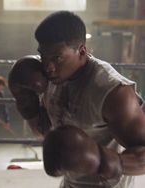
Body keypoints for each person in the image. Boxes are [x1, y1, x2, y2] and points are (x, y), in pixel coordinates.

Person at [10, 11, 145, 188]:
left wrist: (100, 160)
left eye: (57, 58)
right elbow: (44, 132)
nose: (48, 67)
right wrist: (27, 105)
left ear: (81, 51)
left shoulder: (112, 92)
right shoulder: (48, 76)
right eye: (43, 56)